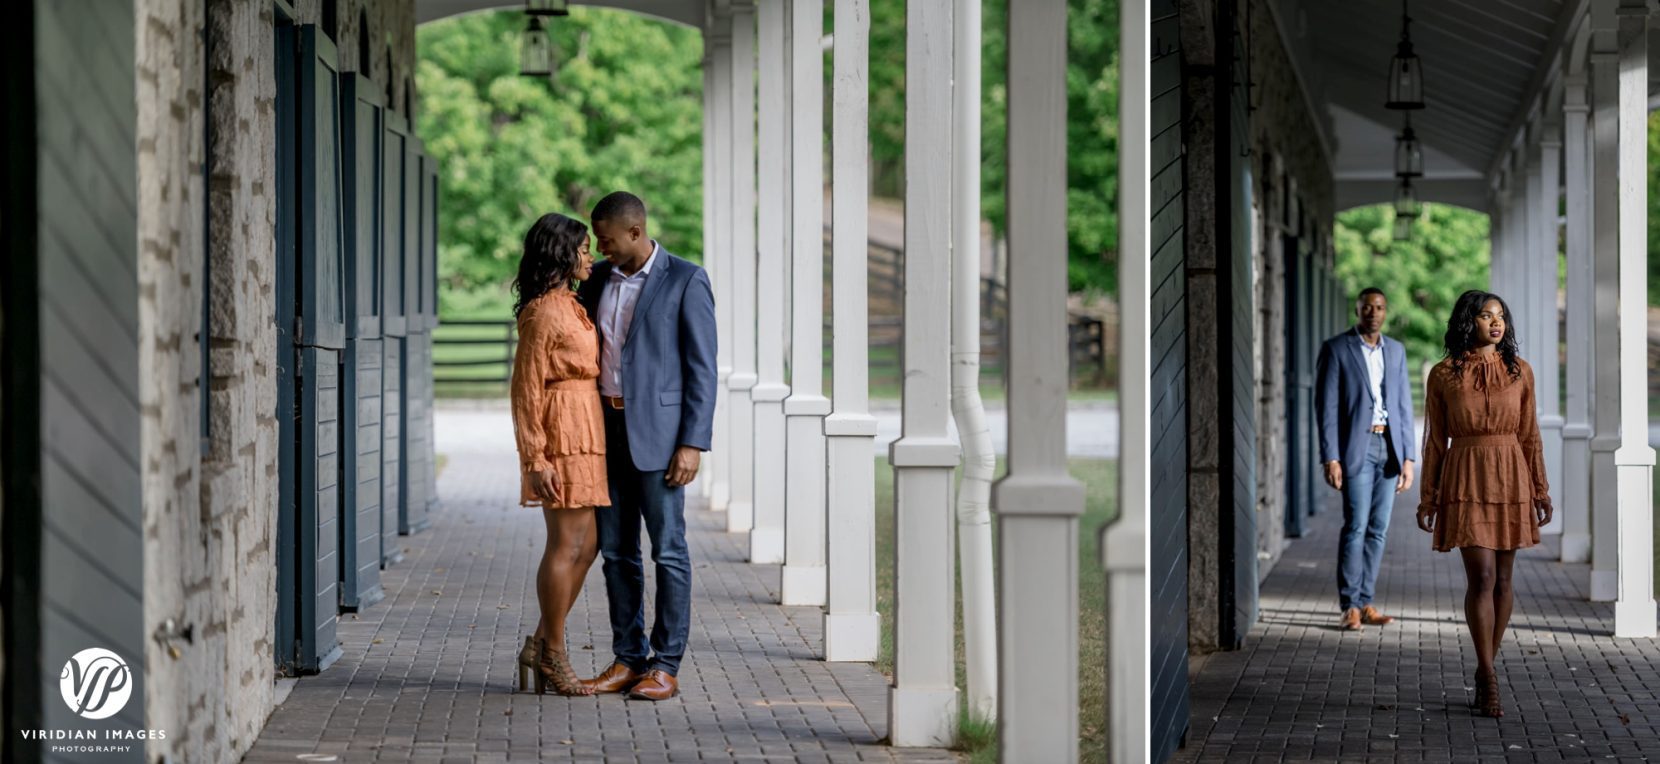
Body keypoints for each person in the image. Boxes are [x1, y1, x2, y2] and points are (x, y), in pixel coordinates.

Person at [575, 191, 717, 701]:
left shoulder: (685, 279)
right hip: (603, 433)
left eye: (607, 241)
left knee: (669, 551)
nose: (600, 250)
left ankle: (666, 664)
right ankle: (628, 659)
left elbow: (702, 368)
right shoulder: (593, 282)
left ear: (635, 232)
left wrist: (692, 442)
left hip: (661, 440)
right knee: (616, 553)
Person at [1415, 290, 1552, 719]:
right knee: (1483, 576)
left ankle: (1483, 667)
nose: (1496, 323)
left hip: (1511, 473)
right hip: (1466, 473)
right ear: (1467, 321)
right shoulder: (1443, 374)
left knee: (1505, 581)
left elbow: (1530, 435)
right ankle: (1490, 676)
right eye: (1486, 315)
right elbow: (1436, 441)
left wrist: (1540, 490)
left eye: (1501, 316)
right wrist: (1428, 496)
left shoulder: (1520, 371)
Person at [508, 212, 609, 696]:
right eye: (583, 249)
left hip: (585, 426)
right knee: (565, 546)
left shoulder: (571, 303)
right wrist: (536, 458)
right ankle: (555, 654)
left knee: (587, 547)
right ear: (563, 255)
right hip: (560, 432)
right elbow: (525, 389)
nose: (589, 256)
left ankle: (543, 642)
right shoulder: (544, 312)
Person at [1315, 286, 1417, 631]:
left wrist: (1408, 459)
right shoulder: (1336, 349)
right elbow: (1326, 408)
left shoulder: (1397, 352)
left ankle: (1367, 601)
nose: (1373, 312)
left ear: (1386, 312)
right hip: (1355, 450)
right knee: (1356, 526)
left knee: (1378, 530)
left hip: (1388, 449)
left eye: (1379, 307)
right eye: (1367, 307)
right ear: (1357, 310)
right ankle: (1350, 605)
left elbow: (1404, 406)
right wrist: (1330, 456)